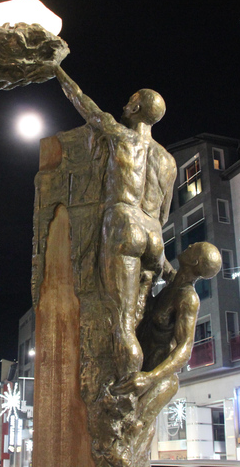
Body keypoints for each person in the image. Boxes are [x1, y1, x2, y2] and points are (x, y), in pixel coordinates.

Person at [54, 66, 177, 391]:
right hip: (153, 235)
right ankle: (139, 383)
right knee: (138, 318)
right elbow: (164, 214)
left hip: (125, 225)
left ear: (135, 109)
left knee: (122, 322)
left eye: (129, 101)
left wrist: (57, 67)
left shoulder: (121, 135)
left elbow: (81, 101)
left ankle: (123, 392)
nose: (124, 105)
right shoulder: (168, 161)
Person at [121, 242, 222, 397]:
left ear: (195, 261)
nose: (190, 245)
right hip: (132, 351)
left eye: (194, 248)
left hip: (148, 368)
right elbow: (160, 257)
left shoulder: (188, 298)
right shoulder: (175, 281)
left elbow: (185, 348)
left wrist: (150, 378)